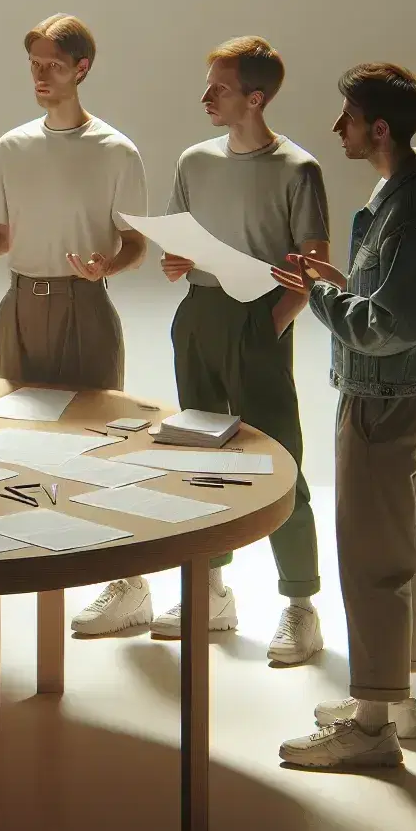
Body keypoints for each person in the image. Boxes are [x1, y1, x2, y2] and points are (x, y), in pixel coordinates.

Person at [0, 14, 150, 625]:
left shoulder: (116, 151)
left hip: (83, 305)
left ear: (82, 69)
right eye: (34, 65)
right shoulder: (12, 146)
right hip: (18, 304)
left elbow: (135, 243)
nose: (40, 77)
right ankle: (29, 562)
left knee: (95, 444)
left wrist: (106, 268)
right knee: (11, 439)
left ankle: (128, 584)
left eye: (54, 66)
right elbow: (1, 237)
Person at [272, 63, 416, 769]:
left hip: (384, 398)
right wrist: (337, 282)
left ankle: (373, 728)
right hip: (405, 394)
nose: (337, 127)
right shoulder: (411, 186)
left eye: (347, 115)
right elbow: (389, 296)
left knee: (371, 556)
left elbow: (388, 325)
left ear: (378, 127)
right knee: (401, 541)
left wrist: (319, 299)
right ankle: (395, 697)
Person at [118, 37, 331, 662]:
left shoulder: (298, 169)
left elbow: (313, 264)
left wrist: (273, 326)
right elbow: (180, 244)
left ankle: (300, 605)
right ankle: (210, 590)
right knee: (199, 453)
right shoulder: (195, 161)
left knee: (279, 461)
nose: (205, 96)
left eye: (220, 87)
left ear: (255, 98)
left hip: (256, 321)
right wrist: (177, 262)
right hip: (199, 317)